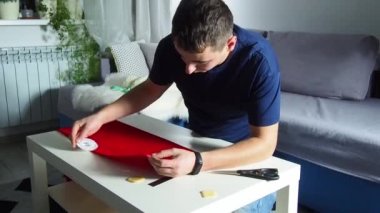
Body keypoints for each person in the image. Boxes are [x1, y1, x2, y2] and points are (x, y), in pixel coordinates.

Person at [71, 0, 280, 212]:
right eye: (183, 58)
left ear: (230, 45)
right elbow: (149, 90)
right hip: (194, 143)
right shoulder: (168, 47)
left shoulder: (258, 61)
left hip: (244, 159)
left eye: (200, 62)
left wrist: (198, 162)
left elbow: (264, 143)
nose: (188, 69)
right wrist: (101, 117)